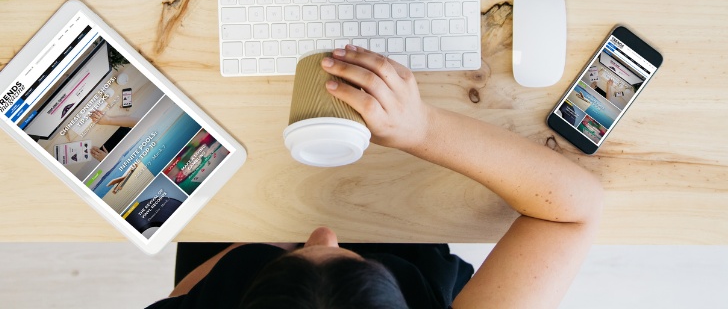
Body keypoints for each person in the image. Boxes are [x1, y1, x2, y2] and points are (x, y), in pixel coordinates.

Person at [147, 46, 603, 309]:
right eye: (345, 257)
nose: (322, 234)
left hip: (241, 256)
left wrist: (256, 251)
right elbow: (572, 211)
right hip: (403, 228)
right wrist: (422, 129)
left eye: (309, 249)